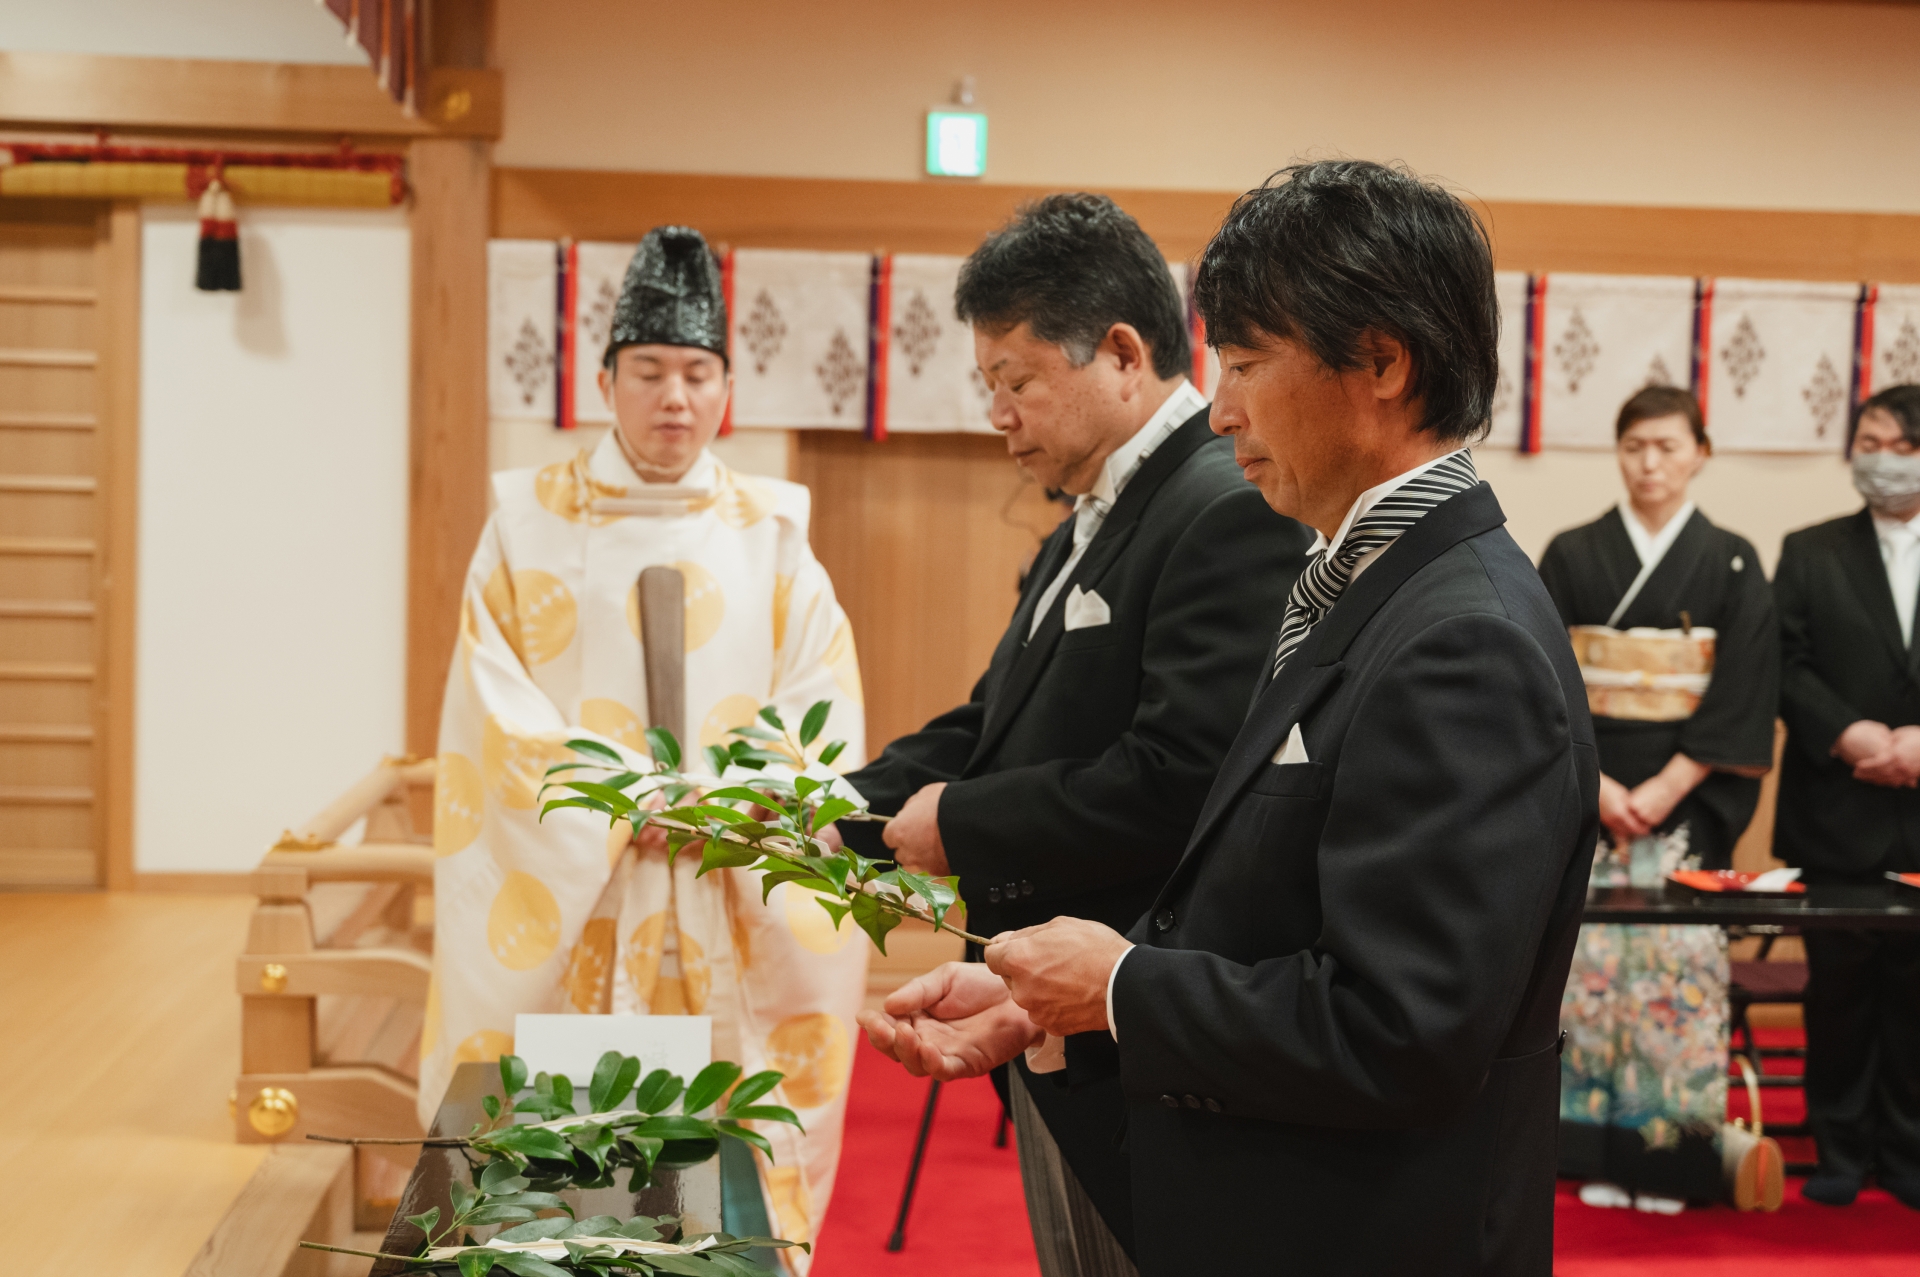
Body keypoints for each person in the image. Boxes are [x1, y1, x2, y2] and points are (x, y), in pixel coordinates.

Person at [861, 160, 1599, 1275]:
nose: (1222, 406)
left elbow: (1398, 1030)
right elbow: (1268, 905)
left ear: (1384, 364)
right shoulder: (1366, 580)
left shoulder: (1462, 638)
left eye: (1249, 362)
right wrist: (1059, 1002)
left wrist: (1119, 983)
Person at [838, 192, 1312, 1274]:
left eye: (1016, 381)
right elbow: (991, 721)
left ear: (1122, 352)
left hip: (1141, 1005)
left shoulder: (1217, 502)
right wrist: (834, 810)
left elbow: (1186, 773)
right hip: (1044, 1000)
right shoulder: (1088, 515)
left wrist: (960, 821)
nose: (999, 413)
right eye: (988, 385)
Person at [426, 226, 868, 1263]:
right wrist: (629, 804)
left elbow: (822, 709)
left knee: (725, 1173)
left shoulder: (774, 534)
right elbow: (496, 716)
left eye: (698, 373)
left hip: (726, 883)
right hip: (581, 895)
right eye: (652, 372)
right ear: (607, 379)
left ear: (726, 388)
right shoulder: (522, 525)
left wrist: (715, 809)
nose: (676, 397)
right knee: (561, 1172)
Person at [1537, 386, 1779, 1212]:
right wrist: (1600, 787)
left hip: (1688, 793)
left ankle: (1669, 1157)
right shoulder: (1571, 553)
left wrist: (1672, 784)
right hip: (1591, 781)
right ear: (1619, 450)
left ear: (1699, 453)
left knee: (1677, 975)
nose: (1651, 463)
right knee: (1588, 973)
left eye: (1668, 447)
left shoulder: (1735, 558)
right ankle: (1584, 1151)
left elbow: (1745, 686)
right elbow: (1545, 678)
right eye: (1635, 445)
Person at [1772, 382, 1920, 1211]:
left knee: (1914, 994)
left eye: (1903, 444)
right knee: (1835, 988)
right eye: (1870, 438)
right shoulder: (1810, 549)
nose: (1883, 458)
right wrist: (1848, 732)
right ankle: (1835, 1145)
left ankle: (1904, 1150)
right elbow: (1786, 664)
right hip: (1838, 808)